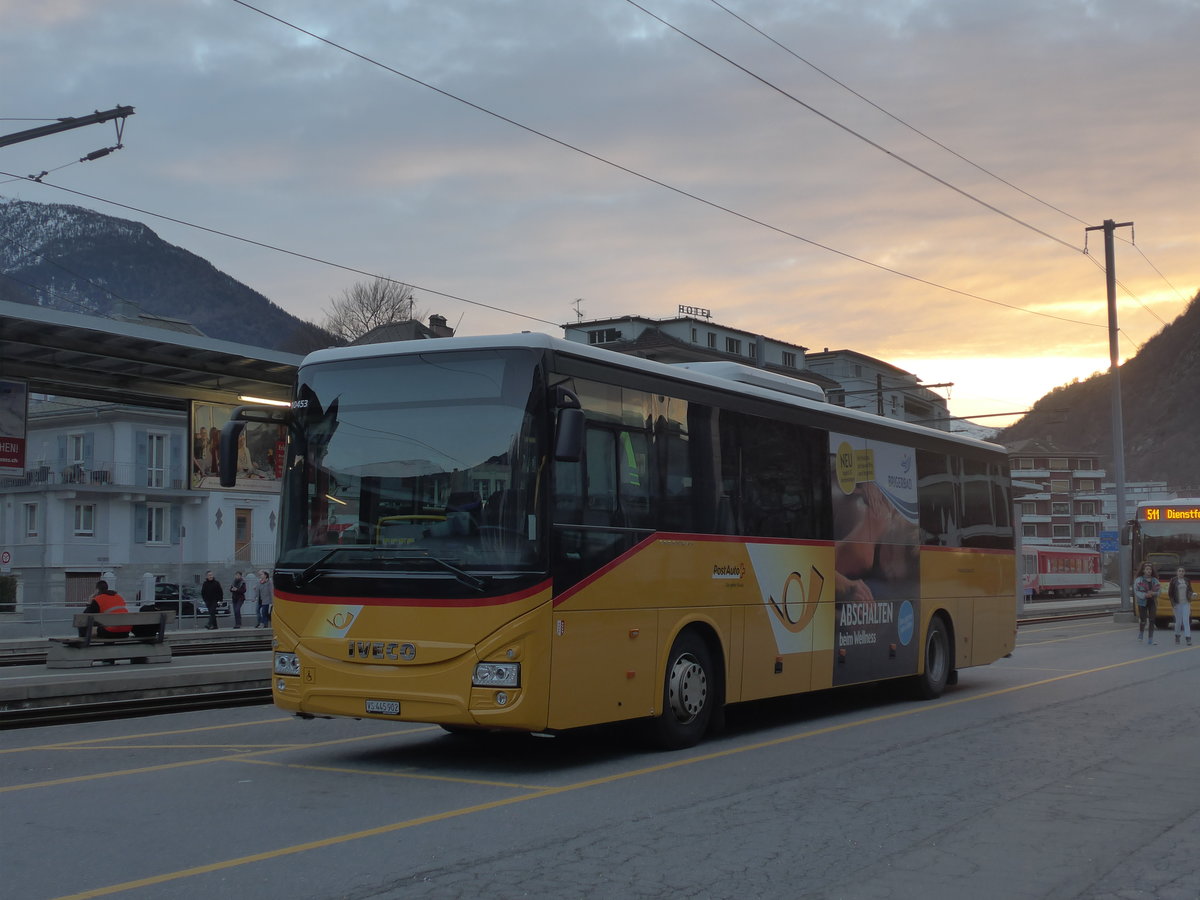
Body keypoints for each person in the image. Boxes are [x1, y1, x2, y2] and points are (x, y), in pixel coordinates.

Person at [1133, 561, 1161, 645]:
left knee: (1152, 620)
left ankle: (1150, 638)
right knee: (1143, 620)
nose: (1149, 571)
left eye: (1150, 569)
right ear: (1143, 570)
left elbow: (1159, 591)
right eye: (1147, 569)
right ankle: (1141, 633)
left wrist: (1153, 593)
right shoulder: (1138, 580)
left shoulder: (1155, 580)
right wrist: (1145, 595)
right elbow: (1136, 591)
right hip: (1142, 602)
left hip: (1152, 602)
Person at [1167, 566, 1194, 646]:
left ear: (1184, 572)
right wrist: (1173, 604)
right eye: (1179, 571)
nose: (1181, 572)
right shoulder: (1173, 581)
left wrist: (1192, 594)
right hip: (1177, 604)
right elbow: (1170, 594)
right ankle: (1177, 636)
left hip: (1186, 603)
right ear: (1177, 572)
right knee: (1178, 621)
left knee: (1186, 621)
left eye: (1182, 571)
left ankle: (1188, 638)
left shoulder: (1187, 580)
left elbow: (1190, 590)